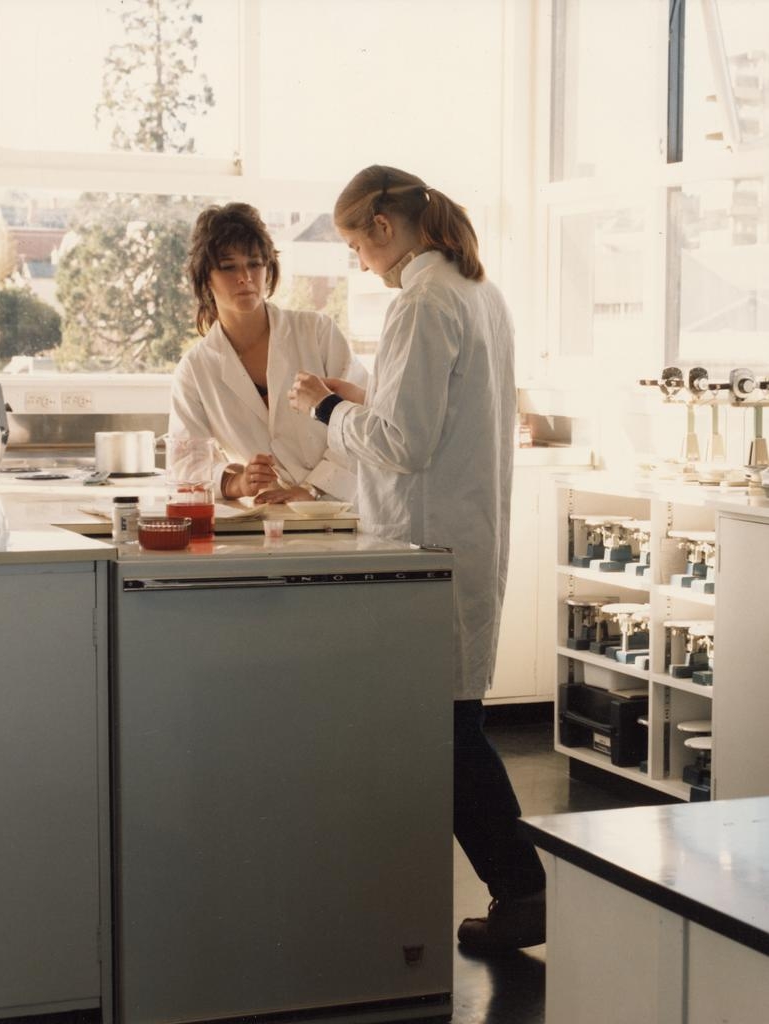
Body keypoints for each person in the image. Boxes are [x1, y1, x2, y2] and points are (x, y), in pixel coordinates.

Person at [288, 165, 547, 954]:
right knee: (449, 722)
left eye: (353, 244)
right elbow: (428, 418)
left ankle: (521, 891)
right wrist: (361, 403)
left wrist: (327, 410)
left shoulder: (422, 304)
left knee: (444, 730)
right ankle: (514, 892)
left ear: (383, 228)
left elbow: (403, 444)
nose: (357, 262)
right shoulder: (477, 293)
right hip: (462, 534)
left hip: (426, 546)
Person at [170, 202, 367, 504]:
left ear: (268, 267)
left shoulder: (317, 332)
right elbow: (187, 464)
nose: (245, 277)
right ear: (205, 278)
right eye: (228, 266)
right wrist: (236, 483)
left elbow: (362, 421)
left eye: (254, 263)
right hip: (269, 520)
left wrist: (314, 489)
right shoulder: (195, 370)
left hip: (342, 508)